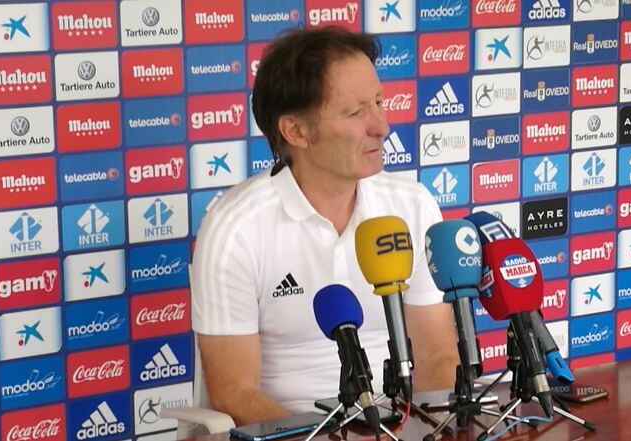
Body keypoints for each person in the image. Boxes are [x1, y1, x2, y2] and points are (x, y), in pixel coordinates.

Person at [191, 27, 459, 426]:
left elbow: (438, 356)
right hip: (289, 432)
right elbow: (236, 394)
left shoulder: (411, 205)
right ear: (295, 131)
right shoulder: (235, 228)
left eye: (379, 102)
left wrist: (424, 428)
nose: (381, 126)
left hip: (398, 428)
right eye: (355, 112)